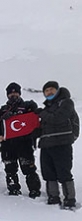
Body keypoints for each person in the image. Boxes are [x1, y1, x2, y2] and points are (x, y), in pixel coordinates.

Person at [0, 82, 41, 198]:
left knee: (28, 168)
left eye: (15, 92)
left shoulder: (27, 106)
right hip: (8, 145)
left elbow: (35, 119)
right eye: (10, 93)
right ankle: (13, 189)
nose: (13, 95)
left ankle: (34, 190)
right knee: (10, 169)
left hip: (24, 143)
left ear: (19, 93)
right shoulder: (3, 110)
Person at [37, 81, 79, 209]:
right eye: (46, 91)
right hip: (46, 145)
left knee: (64, 172)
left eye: (51, 89)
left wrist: (41, 113)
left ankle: (70, 199)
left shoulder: (66, 102)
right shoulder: (47, 108)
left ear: (57, 90)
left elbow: (57, 118)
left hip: (62, 143)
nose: (49, 92)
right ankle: (53, 197)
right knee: (48, 173)